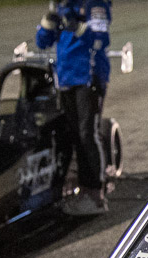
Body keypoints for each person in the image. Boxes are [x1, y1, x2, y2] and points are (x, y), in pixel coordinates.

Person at [36, 0, 112, 216]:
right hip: (66, 80)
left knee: (88, 134)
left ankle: (96, 194)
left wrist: (79, 27)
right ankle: (77, 186)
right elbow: (42, 43)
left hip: (89, 78)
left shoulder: (95, 4)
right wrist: (47, 24)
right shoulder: (63, 6)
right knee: (74, 135)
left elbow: (101, 40)